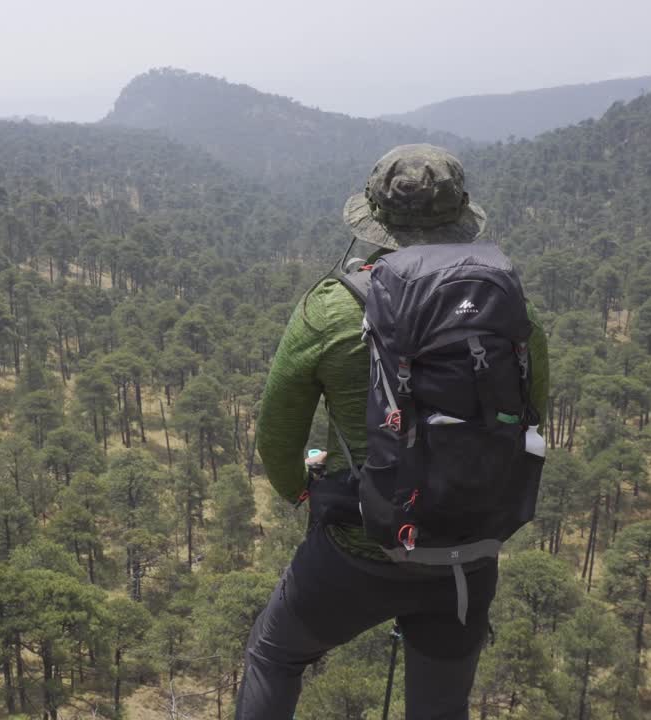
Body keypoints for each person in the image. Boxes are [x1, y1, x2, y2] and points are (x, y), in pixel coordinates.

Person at [235, 144, 550, 720]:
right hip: (467, 556)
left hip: (358, 551)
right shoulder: (506, 306)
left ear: (374, 218)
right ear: (460, 214)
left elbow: (278, 434)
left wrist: (305, 491)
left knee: (274, 657)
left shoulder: (332, 307)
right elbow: (532, 412)